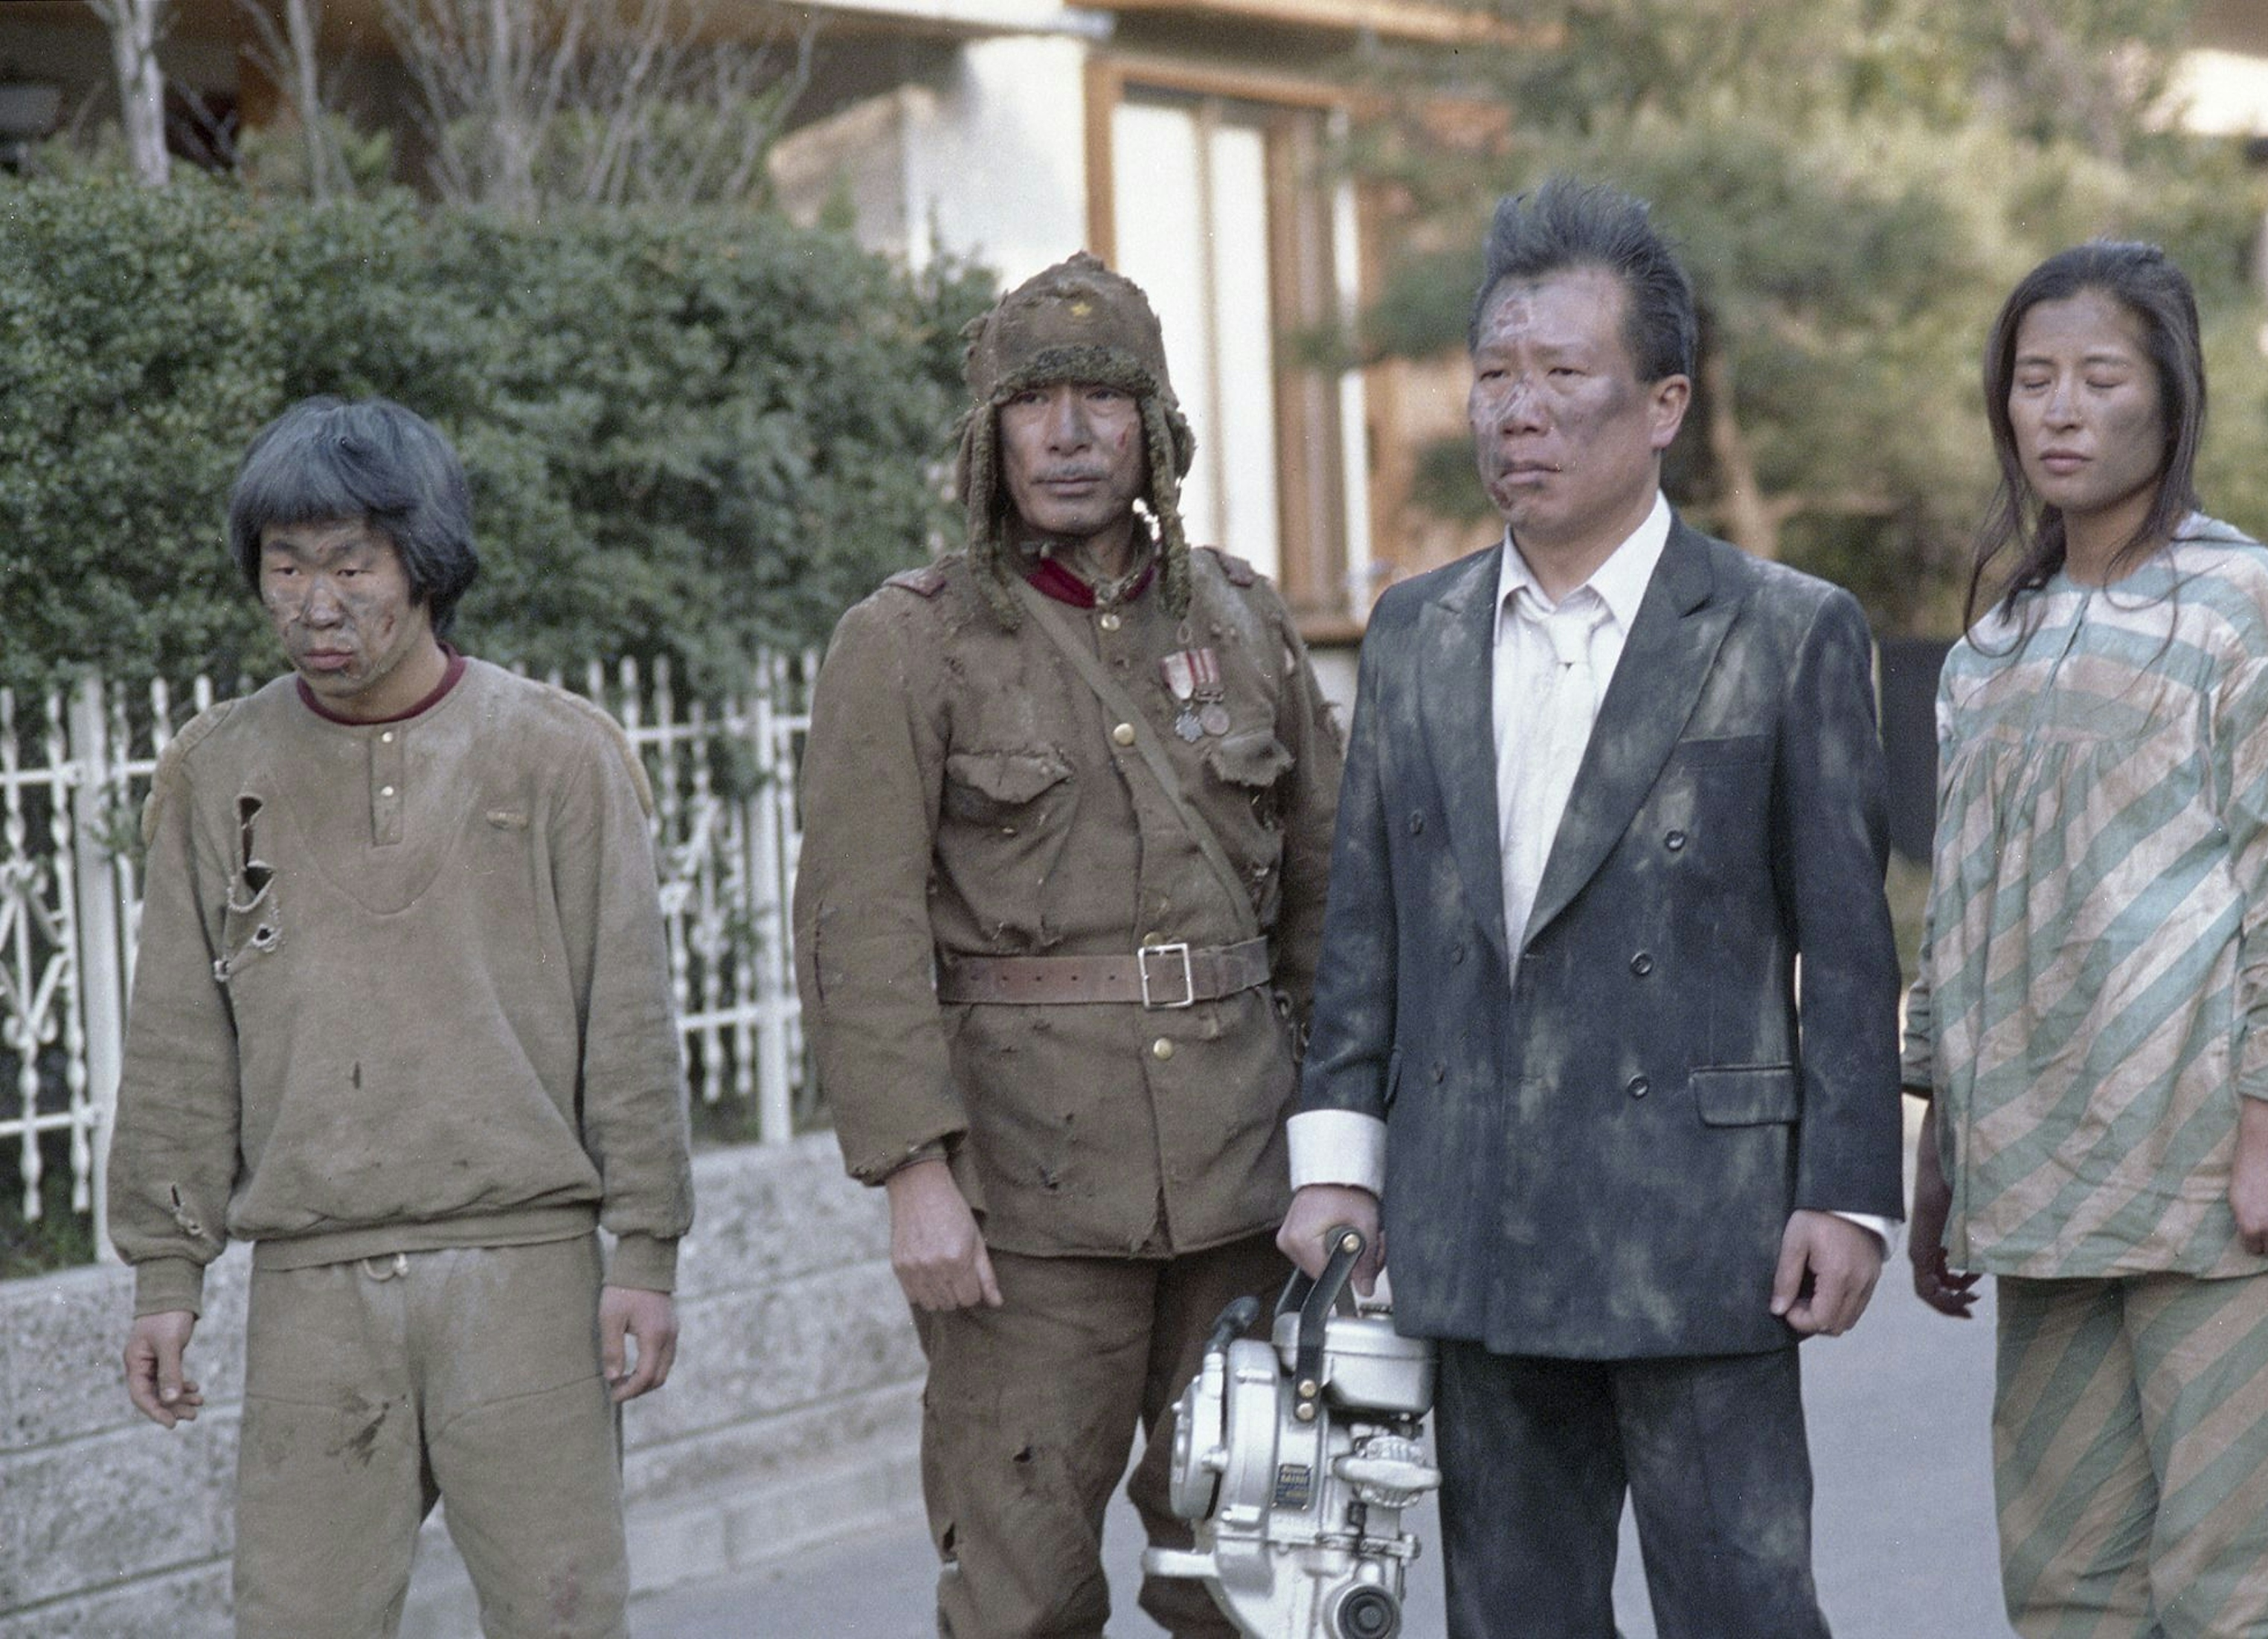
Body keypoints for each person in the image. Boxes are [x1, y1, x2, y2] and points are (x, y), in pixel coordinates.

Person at [1276, 176, 1904, 1638]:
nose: (1520, 412)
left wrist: (1848, 1193)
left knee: (1744, 1607)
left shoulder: (1783, 627)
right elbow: (1366, 928)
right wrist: (1337, 1164)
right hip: (1475, 1216)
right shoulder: (1416, 629)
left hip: (1705, 1228)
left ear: (1664, 403)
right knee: (1512, 1614)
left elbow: (1848, 948)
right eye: (1495, 375)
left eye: (1563, 374)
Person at [793, 251, 1343, 1639]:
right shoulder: (908, 644)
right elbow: (857, 932)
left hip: (1246, 1189)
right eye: (1035, 402)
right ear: (991, 437)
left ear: (1155, 429)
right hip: (1026, 1211)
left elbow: (1329, 908)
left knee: (1251, 1586)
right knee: (1023, 1596)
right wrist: (913, 1176)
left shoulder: (1244, 619)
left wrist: (1347, 1153)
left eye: (1104, 398)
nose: (1071, 433)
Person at [107, 396, 693, 1638]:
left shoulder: (559, 753)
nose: (315, 605)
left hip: (526, 1273)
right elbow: (176, 1040)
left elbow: (630, 1024)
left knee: (562, 1617)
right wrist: (167, 1271)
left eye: (350, 564)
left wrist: (645, 1251)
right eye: (285, 566)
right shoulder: (219, 771)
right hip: (313, 1285)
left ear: (423, 565)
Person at [1900, 240, 2268, 1639]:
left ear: (2171, 398)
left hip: (2220, 1190)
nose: (2060, 409)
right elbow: (1963, 912)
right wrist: (1943, 1147)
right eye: (2033, 379)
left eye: (2100, 378)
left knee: (2240, 1591)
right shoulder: (1993, 647)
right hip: (2041, 1189)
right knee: (2066, 1590)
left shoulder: (2253, 609)